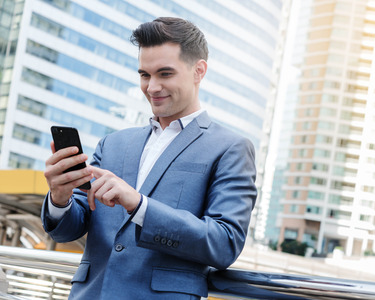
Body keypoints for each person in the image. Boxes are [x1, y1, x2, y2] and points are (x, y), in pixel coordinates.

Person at [41, 17, 257, 300]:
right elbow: (66, 231)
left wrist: (140, 206)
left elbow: (224, 243)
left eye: (165, 74)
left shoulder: (231, 148)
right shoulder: (113, 143)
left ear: (198, 71)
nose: (152, 87)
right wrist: (59, 197)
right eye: (145, 75)